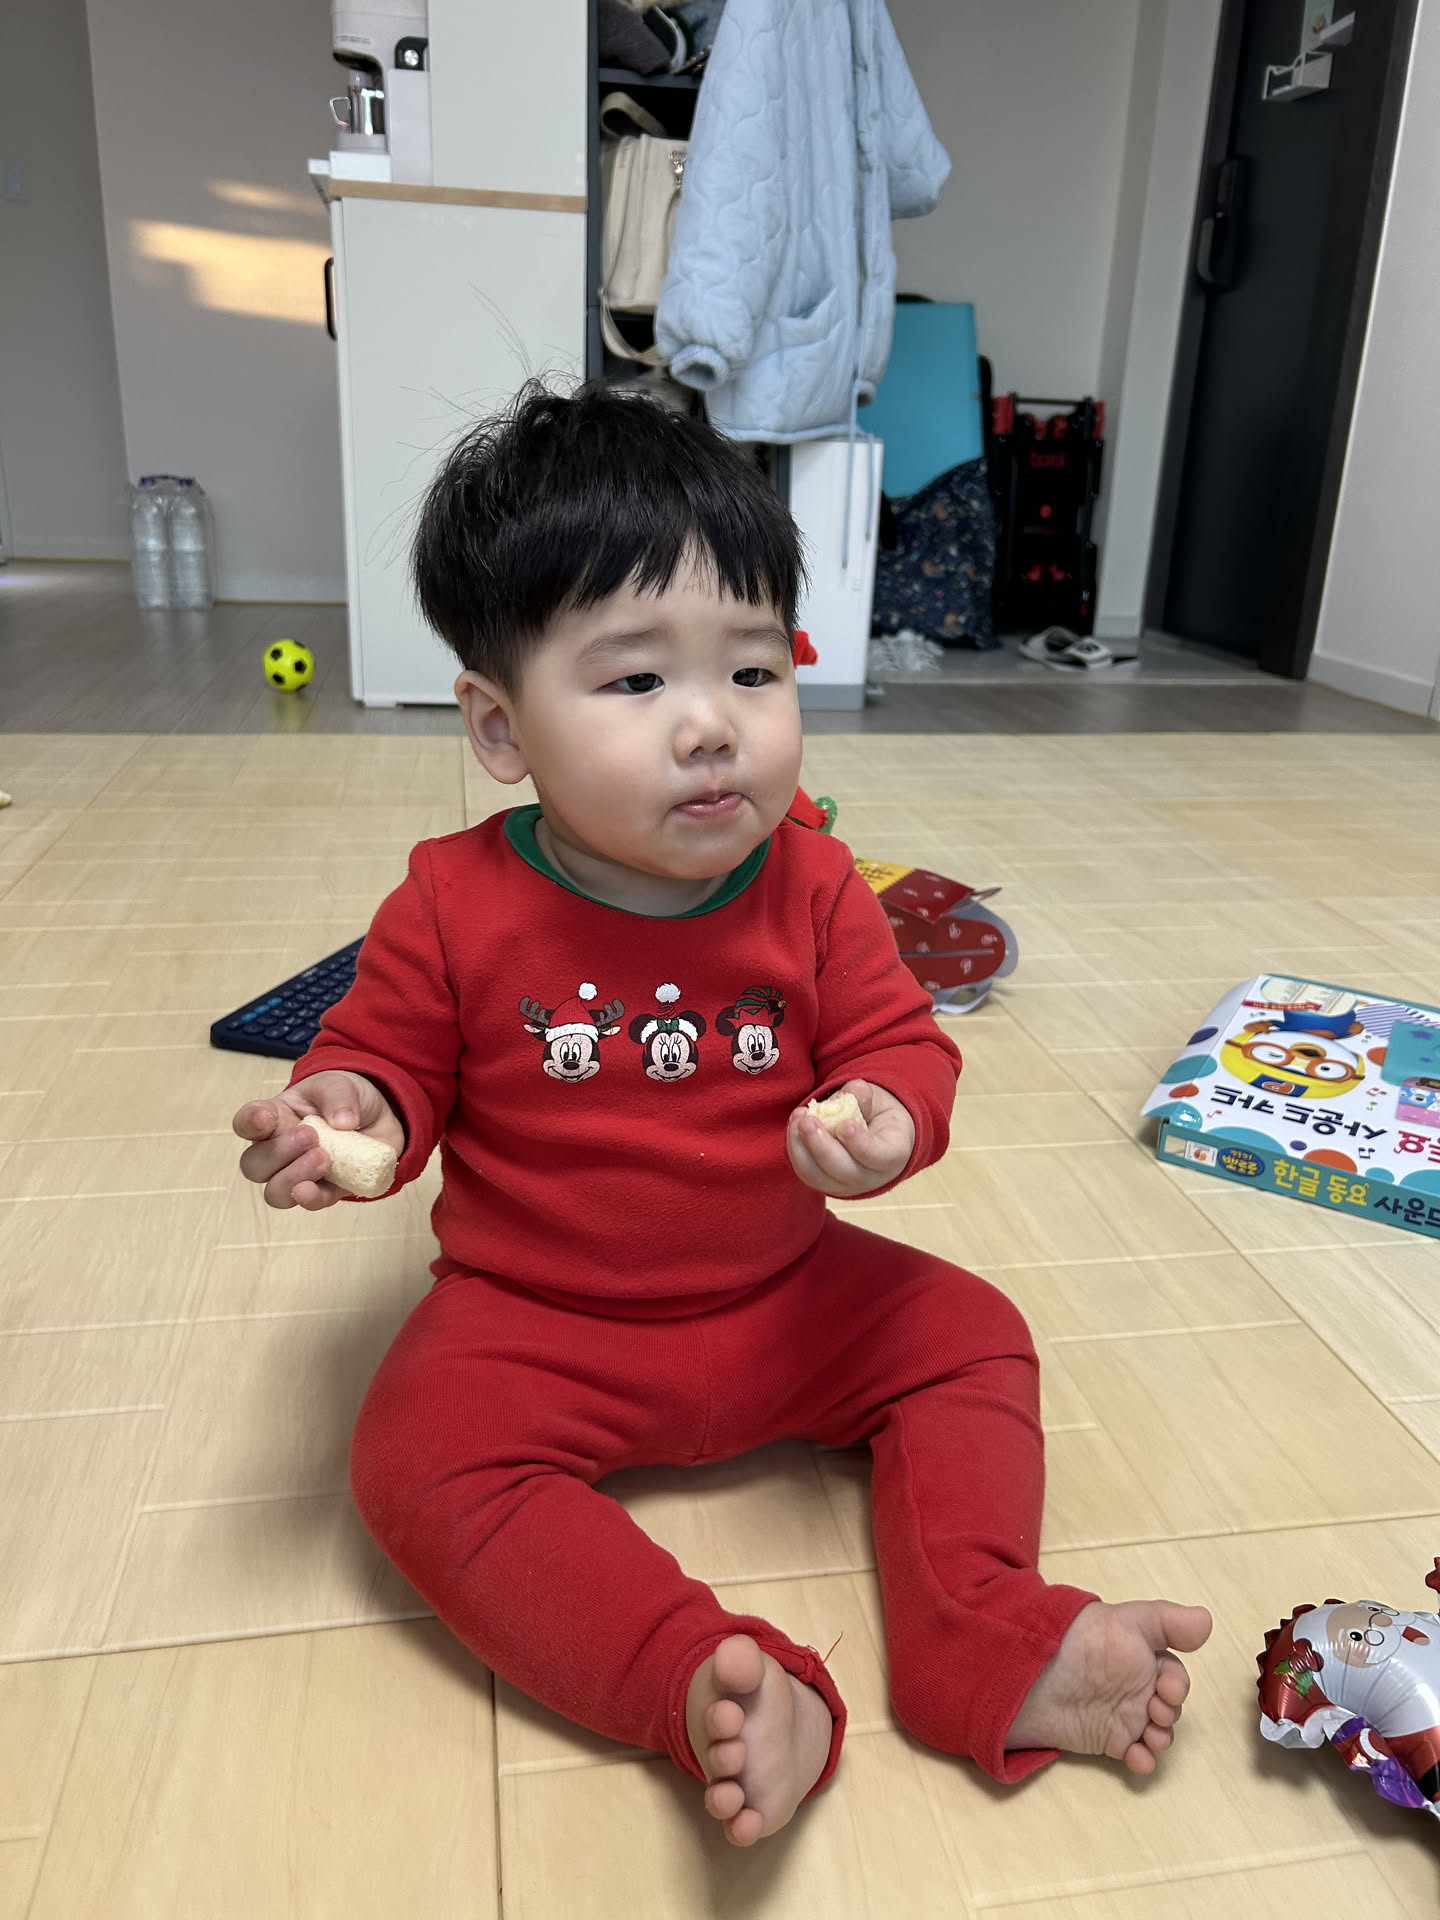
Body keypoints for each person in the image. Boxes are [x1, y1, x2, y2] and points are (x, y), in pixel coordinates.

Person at [232, 383, 1211, 1849]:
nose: (712, 727)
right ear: (499, 728)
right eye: (635, 681)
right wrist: (344, 1114)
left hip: (788, 1298)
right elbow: (388, 1065)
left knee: (971, 1334)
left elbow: (899, 1044)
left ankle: (985, 1637)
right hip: (539, 1321)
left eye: (754, 669)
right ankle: (700, 1683)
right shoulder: (448, 901)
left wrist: (885, 1115)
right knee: (410, 1456)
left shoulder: (815, 885)